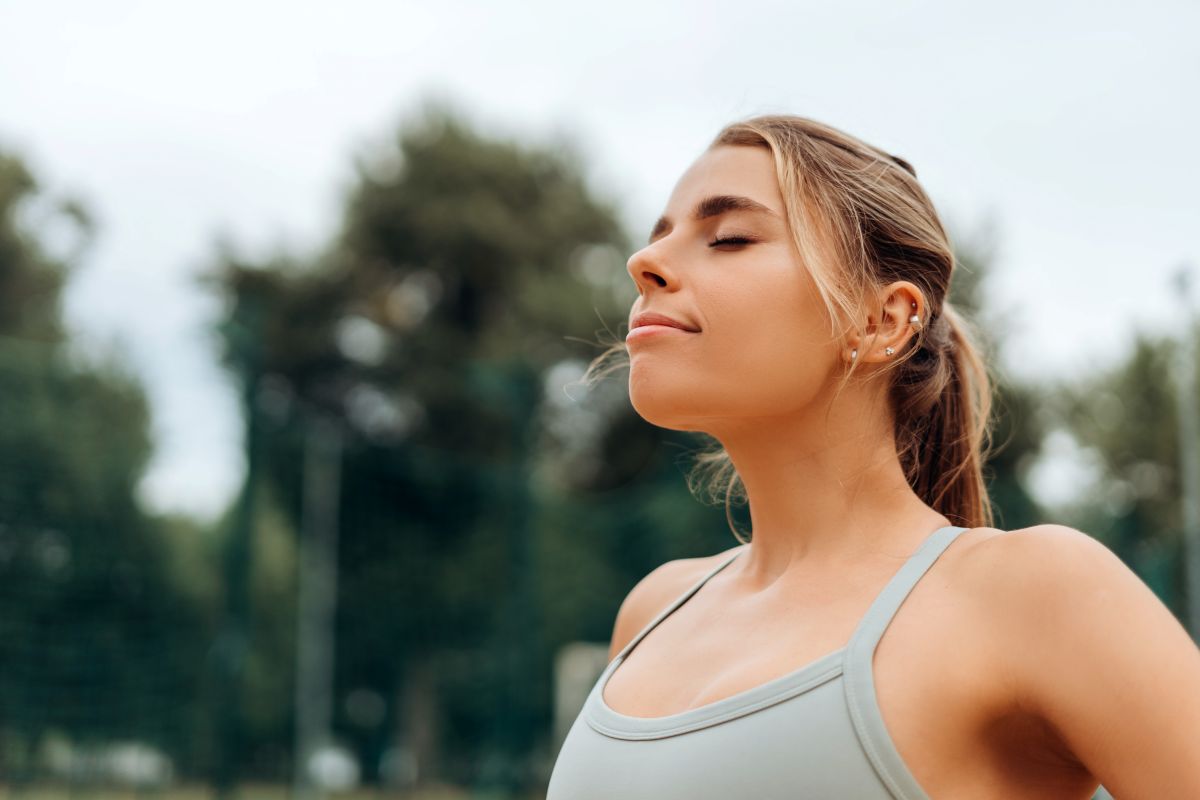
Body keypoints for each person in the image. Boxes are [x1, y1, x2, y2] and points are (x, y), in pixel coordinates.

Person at [546, 114, 1200, 799]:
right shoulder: (653, 610)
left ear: (882, 319)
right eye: (660, 235)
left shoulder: (1032, 594)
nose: (643, 262)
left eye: (730, 237)